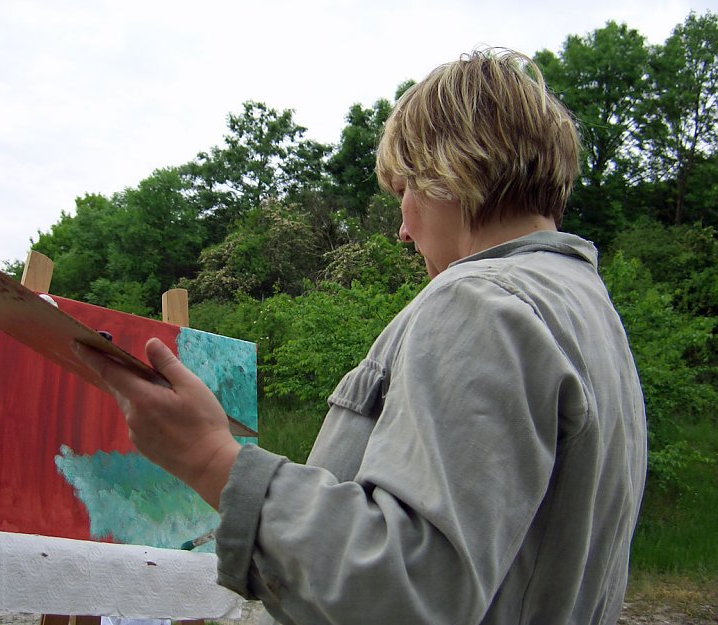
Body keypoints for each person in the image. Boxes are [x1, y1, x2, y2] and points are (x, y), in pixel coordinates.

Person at [75, 49, 648, 625]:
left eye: (404, 192)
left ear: (450, 168)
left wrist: (207, 458)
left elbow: (404, 591)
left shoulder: (480, 302)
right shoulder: (588, 312)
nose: (402, 228)